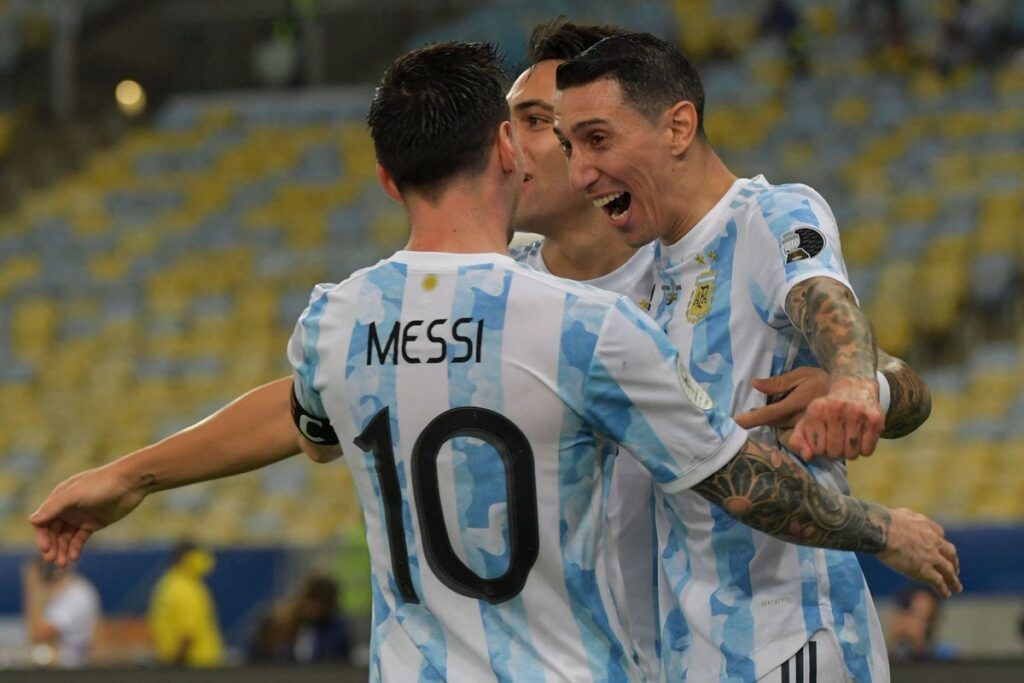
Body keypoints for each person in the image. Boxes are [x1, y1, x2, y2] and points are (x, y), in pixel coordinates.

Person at [29, 37, 959, 683]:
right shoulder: (575, 318)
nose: (573, 155)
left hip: (756, 641)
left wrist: (860, 383)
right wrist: (883, 526)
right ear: (507, 153)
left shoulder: (349, 315)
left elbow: (851, 337)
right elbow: (731, 470)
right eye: (546, 127)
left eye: (583, 131)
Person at [553, 31, 935, 681]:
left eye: (597, 139)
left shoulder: (766, 217)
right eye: (568, 147)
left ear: (678, 127)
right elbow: (908, 385)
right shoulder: (644, 271)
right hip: (687, 648)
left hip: (791, 639)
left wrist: (850, 383)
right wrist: (869, 383)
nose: (579, 171)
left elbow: (827, 302)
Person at [147, 542, 225, 667]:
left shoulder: (169, 583)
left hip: (186, 659)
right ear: (186, 559)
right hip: (197, 662)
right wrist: (176, 663)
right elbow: (188, 633)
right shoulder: (185, 588)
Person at [249, 574, 351, 663]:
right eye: (312, 601)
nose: (314, 609)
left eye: (321, 604)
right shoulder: (276, 621)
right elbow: (253, 656)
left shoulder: (336, 631)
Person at [21, 560, 101, 667]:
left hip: (69, 668)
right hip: (67, 664)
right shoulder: (72, 590)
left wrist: (33, 591)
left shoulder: (75, 594)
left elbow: (38, 634)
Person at [886, 584, 956, 661]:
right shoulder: (893, 653)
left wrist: (919, 646)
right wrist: (893, 641)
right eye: (915, 614)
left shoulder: (946, 655)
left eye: (926, 618)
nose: (921, 625)